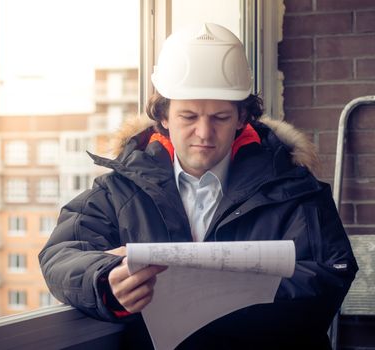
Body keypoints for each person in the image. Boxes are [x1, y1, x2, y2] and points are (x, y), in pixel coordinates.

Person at [39, 23, 358, 349]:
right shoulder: (119, 191)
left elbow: (332, 273)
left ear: (241, 118)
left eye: (219, 117)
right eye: (189, 117)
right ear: (163, 116)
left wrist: (219, 294)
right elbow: (60, 255)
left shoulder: (296, 189)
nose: (204, 133)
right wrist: (105, 278)